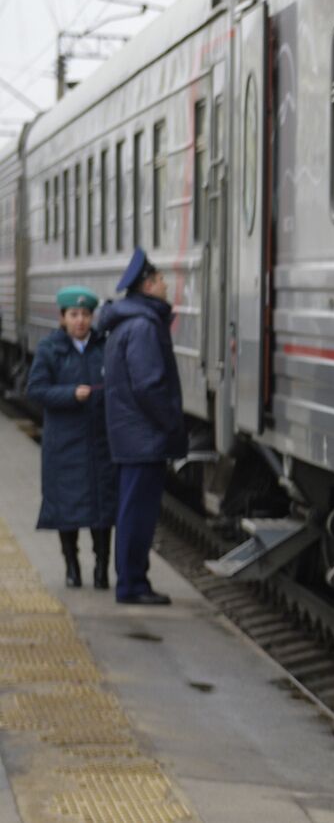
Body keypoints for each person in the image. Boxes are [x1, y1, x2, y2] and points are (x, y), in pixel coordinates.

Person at [94, 248, 186, 605]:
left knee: (134, 510)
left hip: (132, 434)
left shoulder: (129, 323)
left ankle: (133, 580)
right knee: (138, 513)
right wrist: (170, 424)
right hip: (143, 436)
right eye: (162, 279)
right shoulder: (144, 327)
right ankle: (132, 584)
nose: (166, 285)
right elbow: (149, 385)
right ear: (148, 285)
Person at [26, 286, 118, 589]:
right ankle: (72, 566)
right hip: (64, 445)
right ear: (62, 317)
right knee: (67, 510)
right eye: (74, 315)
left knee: (102, 510)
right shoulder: (50, 348)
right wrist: (70, 394)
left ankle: (102, 569)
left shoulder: (104, 347)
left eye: (86, 315)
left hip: (98, 442)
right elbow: (35, 390)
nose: (80, 320)